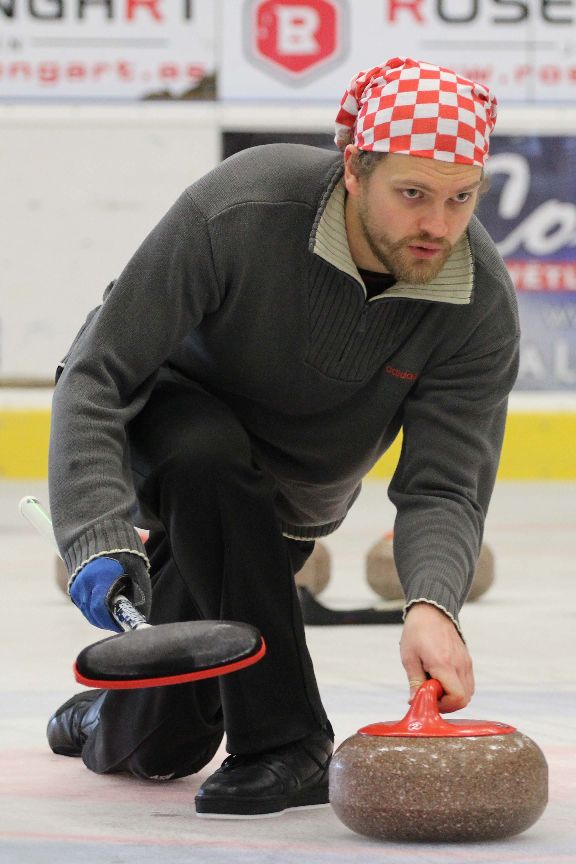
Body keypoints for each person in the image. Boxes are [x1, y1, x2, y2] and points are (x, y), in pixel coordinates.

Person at [46, 57, 519, 818]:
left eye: (460, 197)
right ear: (354, 170)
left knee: (161, 744)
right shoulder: (242, 207)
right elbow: (97, 372)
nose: (438, 225)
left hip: (280, 513)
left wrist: (433, 603)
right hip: (175, 442)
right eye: (412, 194)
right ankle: (288, 743)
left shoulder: (478, 305)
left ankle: (107, 717)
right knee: (205, 452)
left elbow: (444, 486)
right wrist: (94, 533)